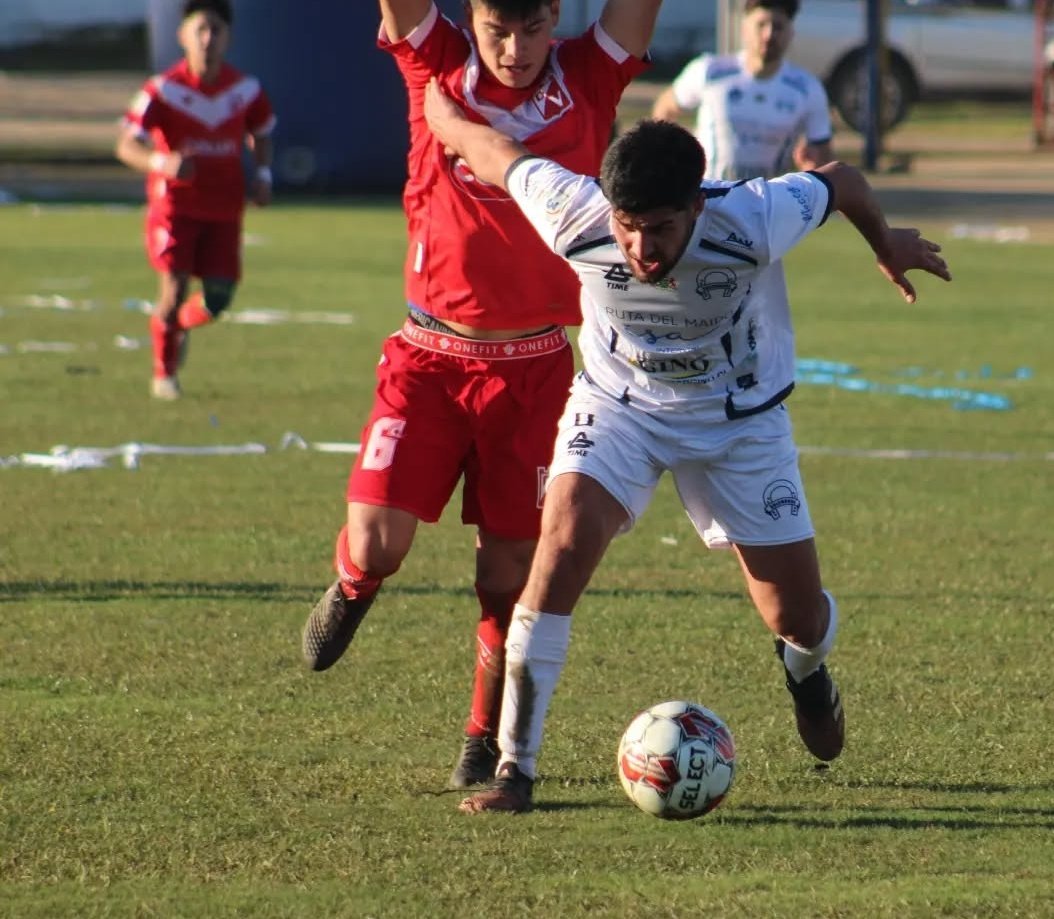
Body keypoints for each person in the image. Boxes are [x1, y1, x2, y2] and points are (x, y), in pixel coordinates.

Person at [423, 81, 951, 813]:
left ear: (697, 208)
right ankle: (516, 770)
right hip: (619, 408)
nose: (641, 247)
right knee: (558, 555)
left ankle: (806, 671)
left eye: (662, 229)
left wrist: (886, 241)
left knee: (795, 616)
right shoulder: (574, 212)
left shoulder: (754, 217)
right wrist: (440, 109)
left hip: (739, 423)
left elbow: (843, 181)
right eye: (629, 226)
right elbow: (495, 151)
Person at [300, 0, 663, 790]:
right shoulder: (435, 62)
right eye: (499, 28)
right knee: (375, 542)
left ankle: (480, 732)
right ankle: (354, 586)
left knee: (509, 566)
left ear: (555, 18)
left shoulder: (590, 77)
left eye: (533, 29)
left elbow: (637, 13)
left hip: (535, 372)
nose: (516, 48)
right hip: (428, 359)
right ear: (475, 16)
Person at [115, 0, 275, 400]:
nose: (208, 38)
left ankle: (181, 326)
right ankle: (164, 377)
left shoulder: (245, 90)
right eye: (200, 30)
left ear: (228, 38)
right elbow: (125, 146)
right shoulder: (162, 89)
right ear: (181, 35)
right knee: (172, 290)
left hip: (224, 206)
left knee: (219, 297)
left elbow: (262, 132)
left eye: (216, 30)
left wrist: (263, 175)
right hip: (175, 207)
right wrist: (161, 162)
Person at [652, 0, 833, 181]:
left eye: (778, 27)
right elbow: (665, 108)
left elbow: (821, 157)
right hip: (709, 198)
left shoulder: (807, 88)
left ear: (791, 33)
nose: (768, 35)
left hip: (768, 202)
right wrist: (671, 157)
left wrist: (809, 169)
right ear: (744, 27)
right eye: (761, 25)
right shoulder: (709, 71)